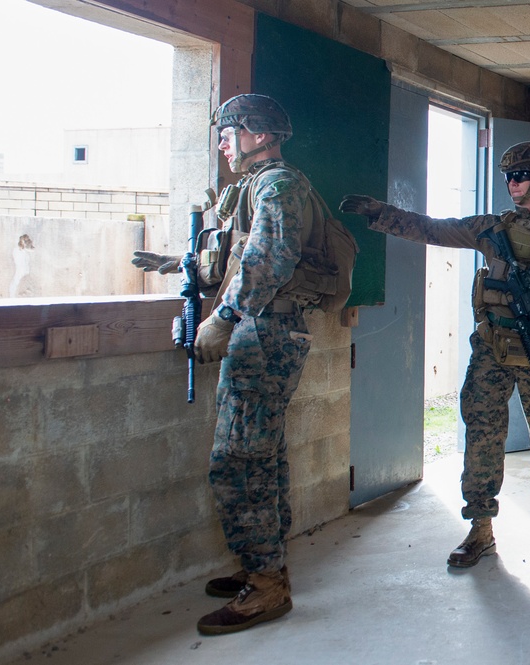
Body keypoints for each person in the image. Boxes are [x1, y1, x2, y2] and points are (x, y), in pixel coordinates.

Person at [339, 142, 530, 567]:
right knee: (481, 435)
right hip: (492, 349)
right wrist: (380, 213)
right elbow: (432, 228)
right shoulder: (489, 229)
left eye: (520, 175)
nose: (512, 183)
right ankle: (480, 526)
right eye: (508, 177)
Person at [162, 94, 313, 635]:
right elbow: (236, 253)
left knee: (237, 460)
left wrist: (222, 318)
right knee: (263, 454)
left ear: (259, 134)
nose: (223, 143)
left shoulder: (277, 185)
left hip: (264, 332)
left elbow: (270, 258)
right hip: (261, 330)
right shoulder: (249, 190)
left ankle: (267, 585)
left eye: (230, 132)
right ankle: (265, 562)